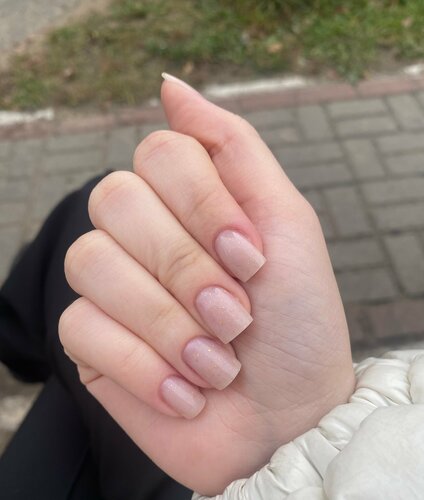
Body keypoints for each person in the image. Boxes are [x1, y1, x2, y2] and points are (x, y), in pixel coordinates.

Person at [1, 74, 423, 499]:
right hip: (260, 452)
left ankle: (17, 349)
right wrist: (304, 425)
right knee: (80, 370)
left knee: (84, 221)